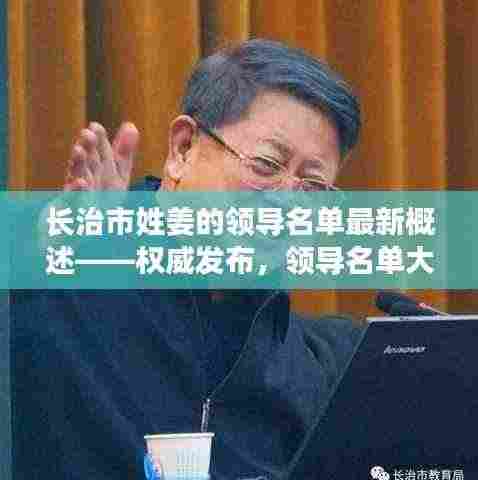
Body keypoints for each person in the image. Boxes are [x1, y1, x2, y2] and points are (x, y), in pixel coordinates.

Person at [12, 39, 362, 479]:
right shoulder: (74, 274)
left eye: (312, 188)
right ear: (183, 148)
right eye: (267, 165)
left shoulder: (296, 356)